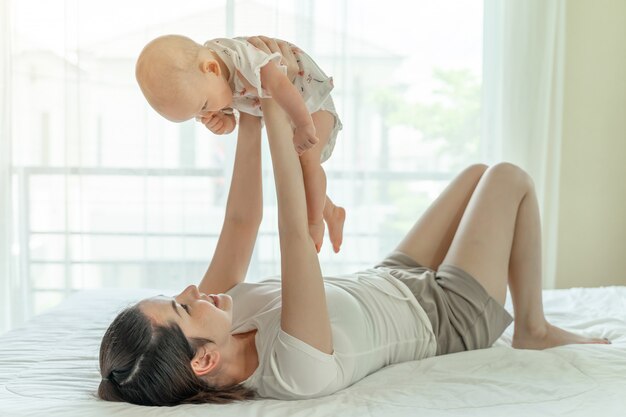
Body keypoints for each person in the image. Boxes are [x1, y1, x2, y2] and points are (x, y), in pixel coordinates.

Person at [99, 42, 610, 406]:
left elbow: (240, 221)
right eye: (182, 306)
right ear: (204, 363)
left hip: (391, 279)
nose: (193, 290)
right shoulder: (294, 370)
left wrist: (246, 108)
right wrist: (275, 104)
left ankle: (532, 323)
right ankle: (533, 329)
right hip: (448, 317)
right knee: (508, 177)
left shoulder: (217, 318)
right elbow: (295, 232)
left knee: (476, 174)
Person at [135, 34, 345, 253]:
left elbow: (280, 85)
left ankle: (315, 222)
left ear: (212, 69)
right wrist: (222, 123)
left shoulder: (243, 57)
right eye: (197, 114)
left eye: (205, 106)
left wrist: (303, 124)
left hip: (310, 101)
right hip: (288, 111)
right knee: (297, 174)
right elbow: (231, 122)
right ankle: (330, 211)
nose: (204, 114)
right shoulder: (208, 84)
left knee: (308, 162)